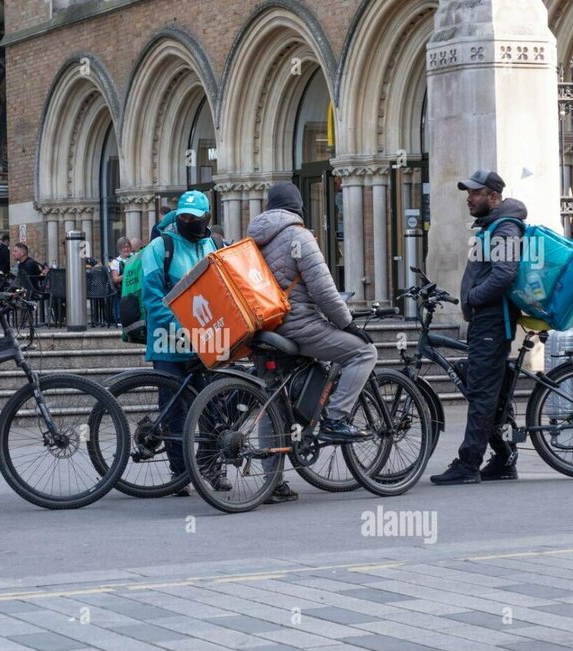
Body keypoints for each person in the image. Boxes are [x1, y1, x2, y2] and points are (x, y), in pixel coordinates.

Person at [249, 183, 378, 503]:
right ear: (298, 206)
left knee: (271, 399)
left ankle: (272, 483)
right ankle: (335, 419)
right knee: (363, 352)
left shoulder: (252, 239)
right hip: (299, 327)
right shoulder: (298, 236)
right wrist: (348, 324)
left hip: (265, 330)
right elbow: (323, 290)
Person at [431, 170, 527, 485]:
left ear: (494, 196)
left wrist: (473, 297)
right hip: (486, 320)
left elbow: (504, 274)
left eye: (476, 193)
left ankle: (468, 464)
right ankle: (503, 457)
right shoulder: (492, 226)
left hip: (493, 319)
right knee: (482, 383)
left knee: (482, 392)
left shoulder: (505, 227)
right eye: (468, 193)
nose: (469, 198)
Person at [142, 190, 229, 497]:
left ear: (207, 219)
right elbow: (152, 298)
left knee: (214, 407)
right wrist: (185, 328)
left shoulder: (215, 245)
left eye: (196, 218)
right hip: (168, 342)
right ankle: (180, 473)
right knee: (174, 409)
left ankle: (211, 468)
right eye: (184, 218)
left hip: (208, 340)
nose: (190, 222)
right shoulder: (159, 247)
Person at [109, 237, 132, 325]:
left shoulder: (134, 258)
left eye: (128, 247)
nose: (126, 249)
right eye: (124, 247)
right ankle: (119, 318)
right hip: (122, 289)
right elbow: (115, 280)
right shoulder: (116, 262)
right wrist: (127, 274)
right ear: (120, 249)